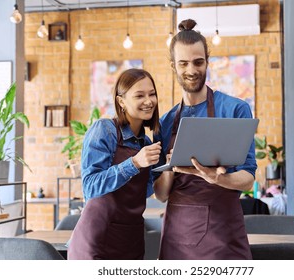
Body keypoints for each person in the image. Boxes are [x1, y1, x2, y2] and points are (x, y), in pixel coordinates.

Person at [153, 19, 257, 260]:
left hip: (223, 235)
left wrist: (218, 178)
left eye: (198, 62)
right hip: (178, 236)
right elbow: (161, 195)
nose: (192, 70)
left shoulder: (235, 110)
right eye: (184, 63)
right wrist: (170, 167)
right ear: (173, 67)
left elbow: (248, 180)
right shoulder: (165, 123)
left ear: (207, 62)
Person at [68, 68, 162, 260]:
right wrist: (134, 163)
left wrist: (168, 168)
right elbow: (90, 186)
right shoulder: (105, 130)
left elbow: (140, 192)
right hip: (97, 240)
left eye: (152, 94)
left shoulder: (147, 144)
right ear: (121, 101)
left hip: (131, 240)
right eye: (139, 95)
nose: (148, 101)